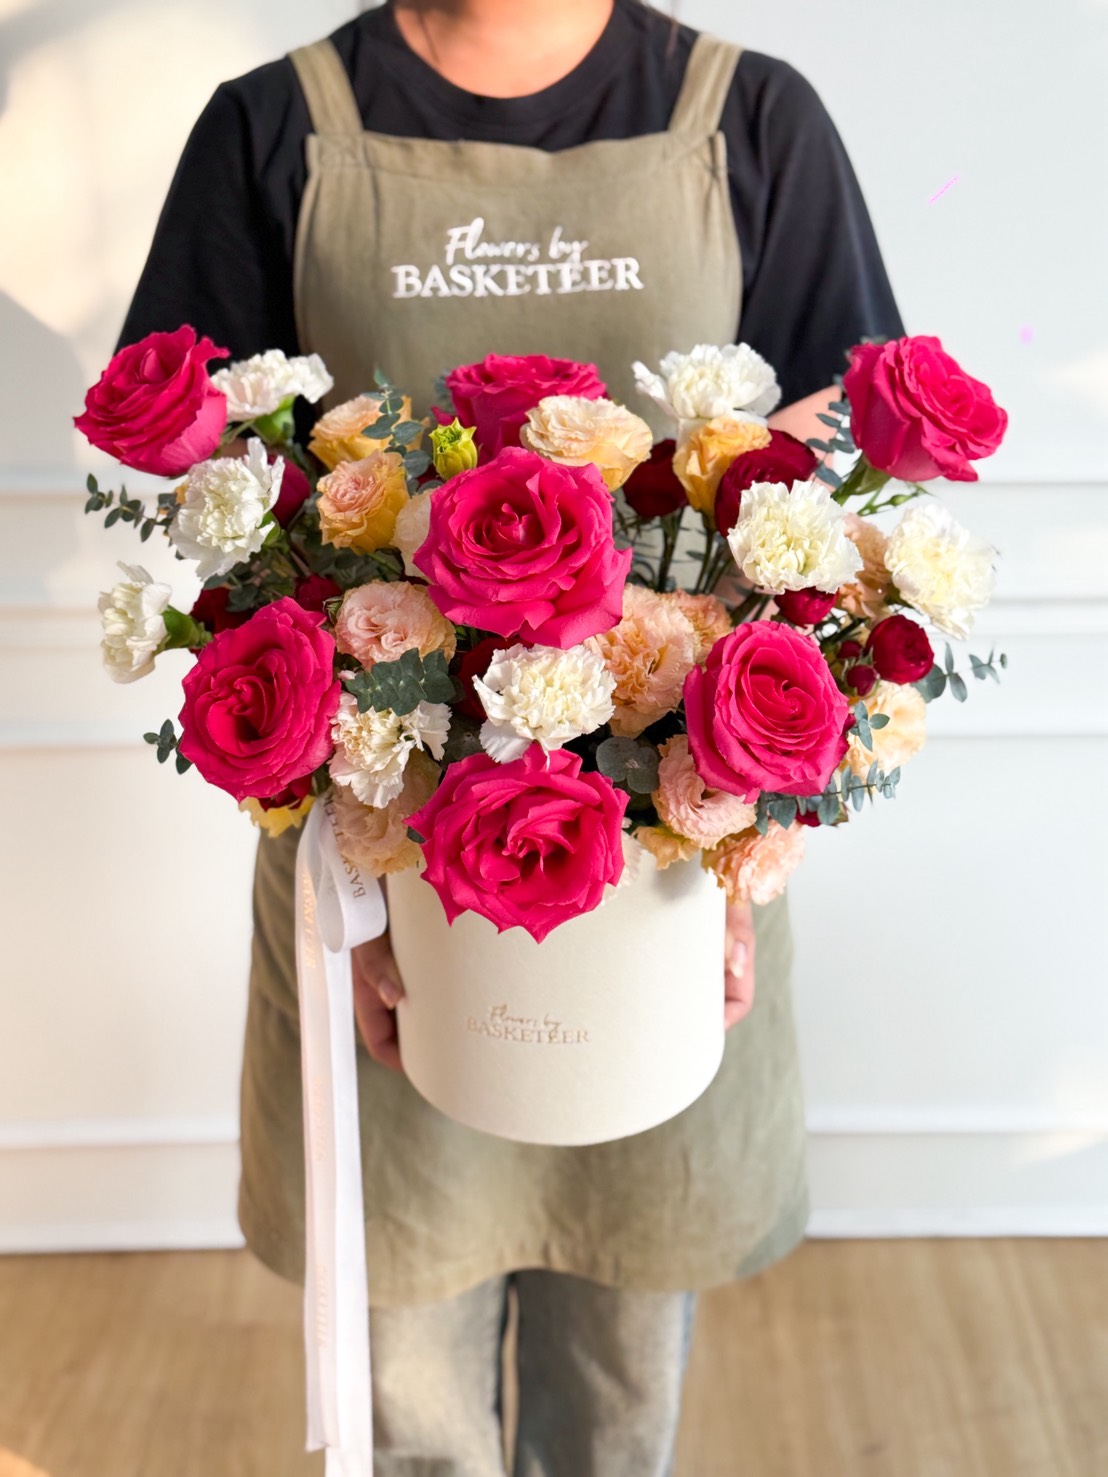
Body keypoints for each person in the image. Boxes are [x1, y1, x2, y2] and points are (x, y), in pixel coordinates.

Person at [117, 2, 903, 1472]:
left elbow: (831, 521)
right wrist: (351, 899)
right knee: (411, 1391)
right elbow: (226, 539)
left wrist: (741, 866)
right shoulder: (275, 129)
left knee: (619, 1393)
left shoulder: (749, 121)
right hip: (387, 884)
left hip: (674, 862)